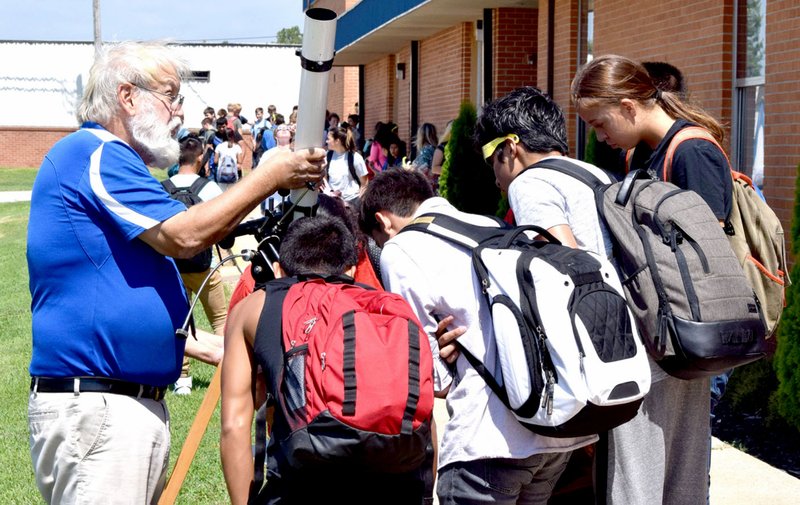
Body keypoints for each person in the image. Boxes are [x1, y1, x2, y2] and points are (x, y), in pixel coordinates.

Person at [25, 40, 325, 505]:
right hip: (102, 407)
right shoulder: (98, 153)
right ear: (127, 97)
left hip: (114, 406)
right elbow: (184, 235)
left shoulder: (105, 159)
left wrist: (226, 350)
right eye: (171, 95)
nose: (178, 112)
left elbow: (121, 295)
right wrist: (270, 175)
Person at [359, 169, 595, 505]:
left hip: (488, 439)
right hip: (551, 432)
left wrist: (444, 353)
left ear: (382, 222)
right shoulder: (494, 226)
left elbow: (433, 378)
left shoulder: (401, 249)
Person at [571, 53, 732, 505]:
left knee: (668, 477)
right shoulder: (645, 151)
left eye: (600, 124)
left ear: (627, 106)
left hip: (681, 337)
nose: (599, 137)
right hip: (658, 333)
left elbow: (705, 255)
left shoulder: (693, 152)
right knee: (647, 477)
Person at [221, 216, 426, 505]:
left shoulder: (254, 307)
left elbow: (235, 424)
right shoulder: (388, 309)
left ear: (279, 269)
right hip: (397, 487)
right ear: (351, 270)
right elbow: (422, 416)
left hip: (300, 488)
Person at [167, 135, 228, 395]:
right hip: (203, 265)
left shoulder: (162, 187)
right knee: (221, 318)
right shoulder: (209, 188)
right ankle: (228, 369)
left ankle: (182, 379)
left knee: (181, 321)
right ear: (201, 158)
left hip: (172, 266)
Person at [323, 124, 369, 208]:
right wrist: (329, 192)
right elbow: (324, 177)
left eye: (328, 139)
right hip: (332, 202)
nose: (326, 141)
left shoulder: (355, 158)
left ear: (337, 141)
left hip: (352, 203)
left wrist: (359, 202)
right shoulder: (327, 156)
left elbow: (364, 183)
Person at [431, 119, 453, 192]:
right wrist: (452, 171)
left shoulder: (461, 146)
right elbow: (434, 168)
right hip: (444, 185)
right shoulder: (442, 147)